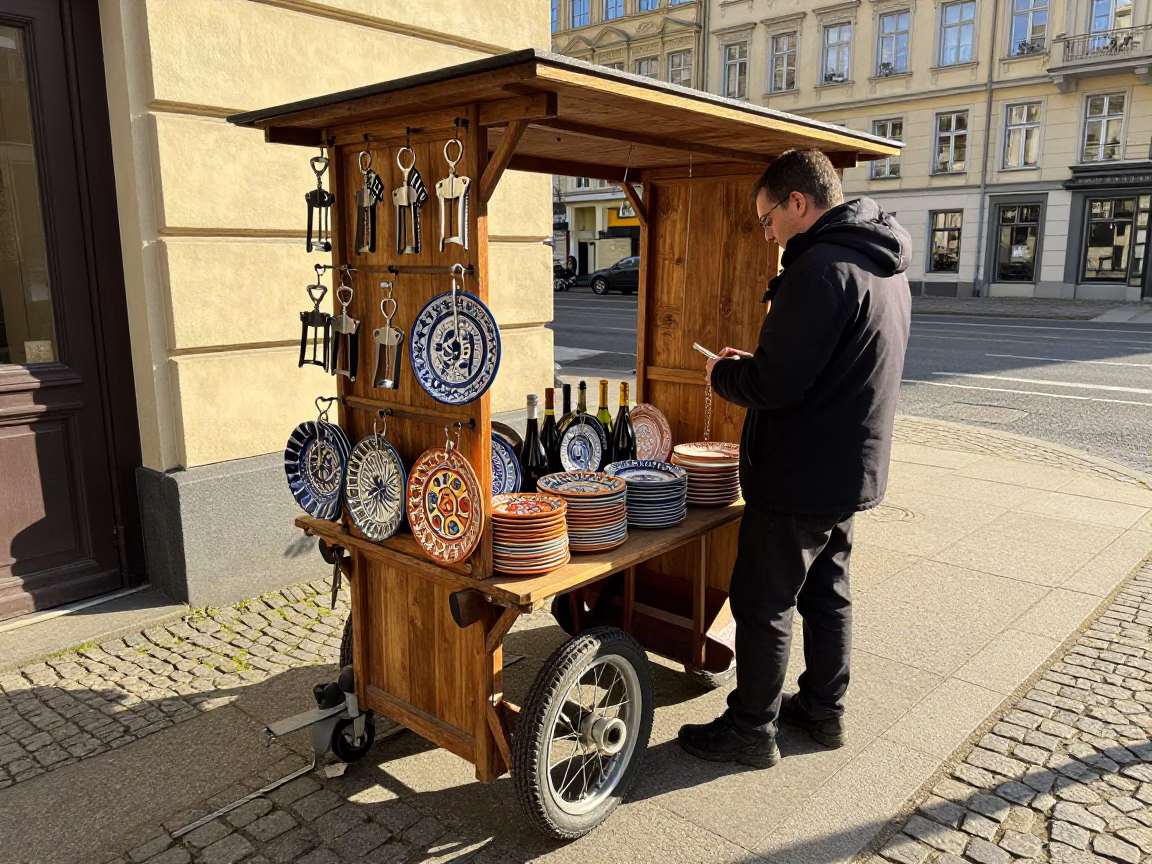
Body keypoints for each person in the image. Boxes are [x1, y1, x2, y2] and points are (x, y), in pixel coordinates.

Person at [677, 149, 912, 768]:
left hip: (798, 473)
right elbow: (822, 368)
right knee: (828, 592)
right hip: (847, 468)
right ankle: (823, 712)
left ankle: (751, 728)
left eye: (767, 219)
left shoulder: (819, 270)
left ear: (798, 203)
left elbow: (778, 384)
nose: (767, 233)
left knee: (763, 601)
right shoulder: (880, 265)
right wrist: (752, 364)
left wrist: (723, 375)